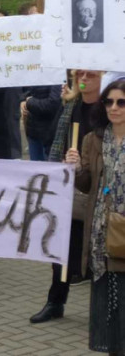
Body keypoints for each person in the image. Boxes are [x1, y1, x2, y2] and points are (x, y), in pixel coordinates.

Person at [30, 70, 105, 323]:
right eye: (79, 73)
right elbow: (56, 140)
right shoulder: (71, 106)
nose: (84, 78)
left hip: (99, 188)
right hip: (69, 185)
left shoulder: (110, 107)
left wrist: (86, 163)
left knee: (97, 251)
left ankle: (102, 309)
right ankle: (56, 301)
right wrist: (60, 164)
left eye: (91, 74)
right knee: (61, 247)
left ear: (102, 77)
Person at [64, 79, 125, 354]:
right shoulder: (93, 139)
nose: (114, 108)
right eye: (109, 102)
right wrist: (76, 168)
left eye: (121, 102)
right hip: (102, 230)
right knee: (110, 296)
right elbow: (87, 184)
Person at [23, 84, 62, 162]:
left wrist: (29, 102)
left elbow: (53, 104)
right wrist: (23, 101)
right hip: (33, 131)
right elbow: (27, 92)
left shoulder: (57, 76)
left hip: (49, 133)